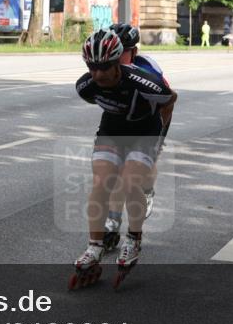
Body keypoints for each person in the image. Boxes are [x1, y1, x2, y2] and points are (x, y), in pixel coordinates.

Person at [72, 28, 178, 289]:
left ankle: (133, 238)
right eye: (92, 67)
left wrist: (159, 137)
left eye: (105, 67)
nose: (98, 74)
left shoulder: (143, 80)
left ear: (118, 62)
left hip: (144, 132)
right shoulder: (85, 86)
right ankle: (94, 247)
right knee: (101, 182)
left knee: (130, 184)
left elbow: (170, 99)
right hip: (112, 131)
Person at [104, 22, 170, 246]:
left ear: (134, 52)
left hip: (150, 120)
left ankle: (148, 190)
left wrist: (159, 137)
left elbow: (168, 101)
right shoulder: (106, 67)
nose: (116, 56)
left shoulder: (148, 70)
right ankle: (111, 226)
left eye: (121, 52)